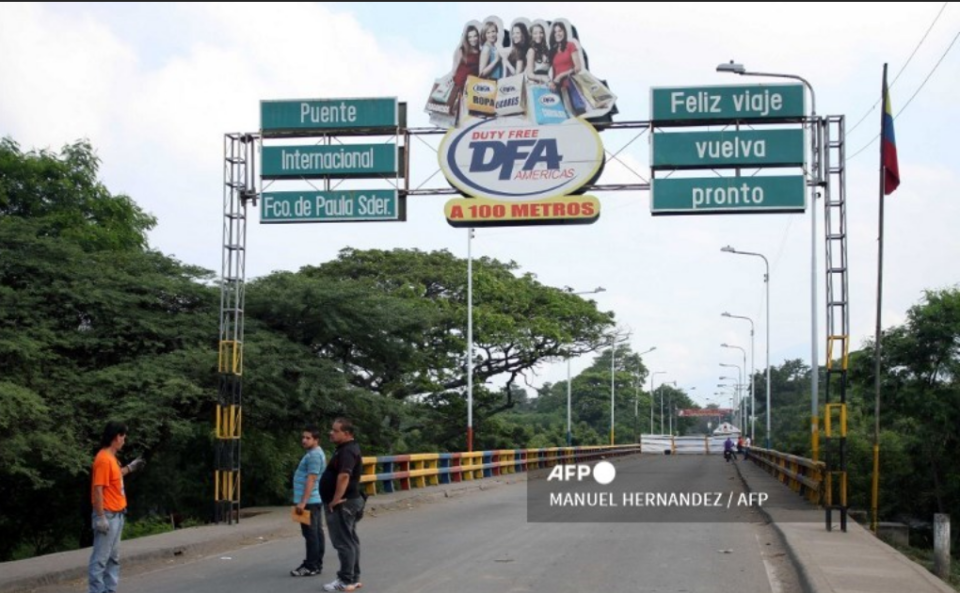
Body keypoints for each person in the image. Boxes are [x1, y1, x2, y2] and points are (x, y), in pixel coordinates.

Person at [88, 421, 145, 593]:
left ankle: (109, 590)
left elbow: (114, 477)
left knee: (113, 559)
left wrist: (130, 467)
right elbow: (98, 489)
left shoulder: (112, 458)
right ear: (115, 437)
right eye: (122, 437)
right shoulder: (104, 459)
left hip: (117, 514)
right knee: (100, 560)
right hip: (108, 515)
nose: (124, 440)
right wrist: (100, 517)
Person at [322, 418, 365, 592]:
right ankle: (353, 578)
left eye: (335, 430)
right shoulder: (346, 449)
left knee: (344, 542)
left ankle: (345, 580)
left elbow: (344, 476)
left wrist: (335, 499)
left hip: (344, 503)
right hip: (351, 500)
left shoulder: (347, 451)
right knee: (351, 540)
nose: (331, 433)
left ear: (346, 434)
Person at [290, 425, 326, 577]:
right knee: (316, 533)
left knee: (310, 534)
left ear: (316, 440)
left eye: (308, 438)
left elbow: (311, 479)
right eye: (303, 437)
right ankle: (315, 564)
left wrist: (302, 502)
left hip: (308, 501)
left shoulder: (314, 456)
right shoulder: (314, 453)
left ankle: (311, 566)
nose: (304, 440)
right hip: (312, 500)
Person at [546, 21, 583, 94]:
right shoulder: (553, 50)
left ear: (564, 32)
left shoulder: (570, 45)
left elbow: (578, 67)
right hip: (557, 87)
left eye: (560, 31)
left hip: (571, 86)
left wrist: (561, 75)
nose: (558, 34)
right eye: (555, 32)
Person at [452, 25, 481, 90]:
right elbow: (454, 69)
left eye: (475, 36)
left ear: (478, 37)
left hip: (471, 86)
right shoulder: (462, 50)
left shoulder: (480, 53)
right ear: (467, 39)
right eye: (470, 37)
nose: (473, 39)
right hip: (458, 84)